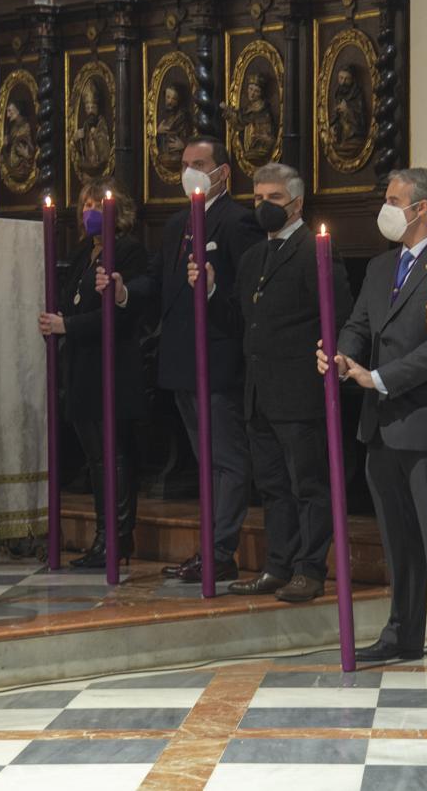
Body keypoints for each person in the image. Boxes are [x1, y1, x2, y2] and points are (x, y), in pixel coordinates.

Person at [318, 168, 427, 671]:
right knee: (398, 537)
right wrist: (342, 357)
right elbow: (358, 324)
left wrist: (379, 377)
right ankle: (402, 630)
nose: (384, 209)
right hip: (380, 422)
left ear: (423, 209)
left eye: (394, 200)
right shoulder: (380, 267)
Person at [100, 137, 263, 582]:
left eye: (201, 163)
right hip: (181, 360)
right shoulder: (176, 225)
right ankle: (208, 547)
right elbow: (158, 281)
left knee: (227, 458)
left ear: (223, 172)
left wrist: (211, 289)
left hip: (219, 357)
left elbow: (248, 294)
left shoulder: (237, 222)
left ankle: (220, 550)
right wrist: (125, 291)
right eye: (186, 163)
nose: (190, 170)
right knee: (204, 458)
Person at [191, 162, 351, 602]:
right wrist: (208, 291)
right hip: (258, 392)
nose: (263, 206)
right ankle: (278, 565)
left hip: (300, 390)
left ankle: (310, 569)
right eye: (258, 198)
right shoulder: (252, 256)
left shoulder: (315, 249)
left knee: (308, 485)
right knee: (274, 487)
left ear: (296, 203)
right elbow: (243, 322)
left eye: (274, 199)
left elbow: (337, 316)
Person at [39, 179, 146, 567]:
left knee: (112, 455)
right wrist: (58, 321)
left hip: (112, 367)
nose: (88, 211)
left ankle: (116, 537)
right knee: (95, 458)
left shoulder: (129, 251)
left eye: (98, 204)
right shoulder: (84, 251)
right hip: (82, 369)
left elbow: (122, 312)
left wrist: (69, 326)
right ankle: (104, 538)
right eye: (84, 204)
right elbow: (73, 302)